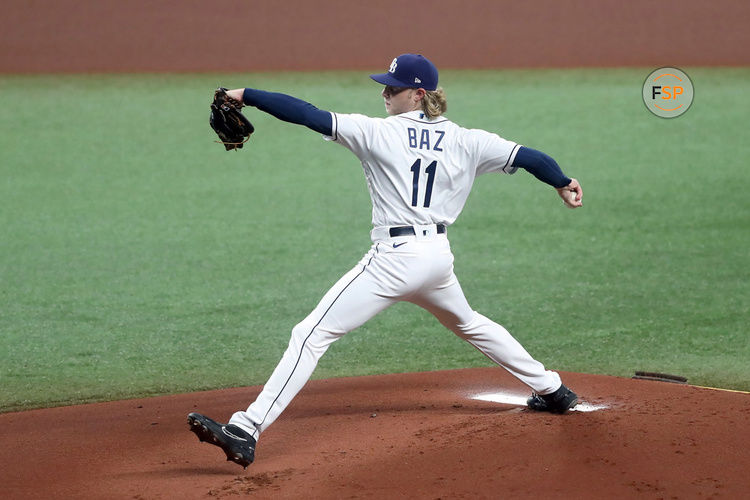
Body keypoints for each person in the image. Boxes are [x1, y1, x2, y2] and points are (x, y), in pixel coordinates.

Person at [188, 54, 583, 469]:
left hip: (394, 261)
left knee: (310, 335)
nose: (384, 92)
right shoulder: (470, 140)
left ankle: (245, 429)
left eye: (392, 88)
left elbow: (307, 114)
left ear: (418, 94)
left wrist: (245, 95)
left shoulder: (376, 132)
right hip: (436, 261)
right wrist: (563, 182)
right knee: (469, 323)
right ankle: (552, 389)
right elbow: (531, 158)